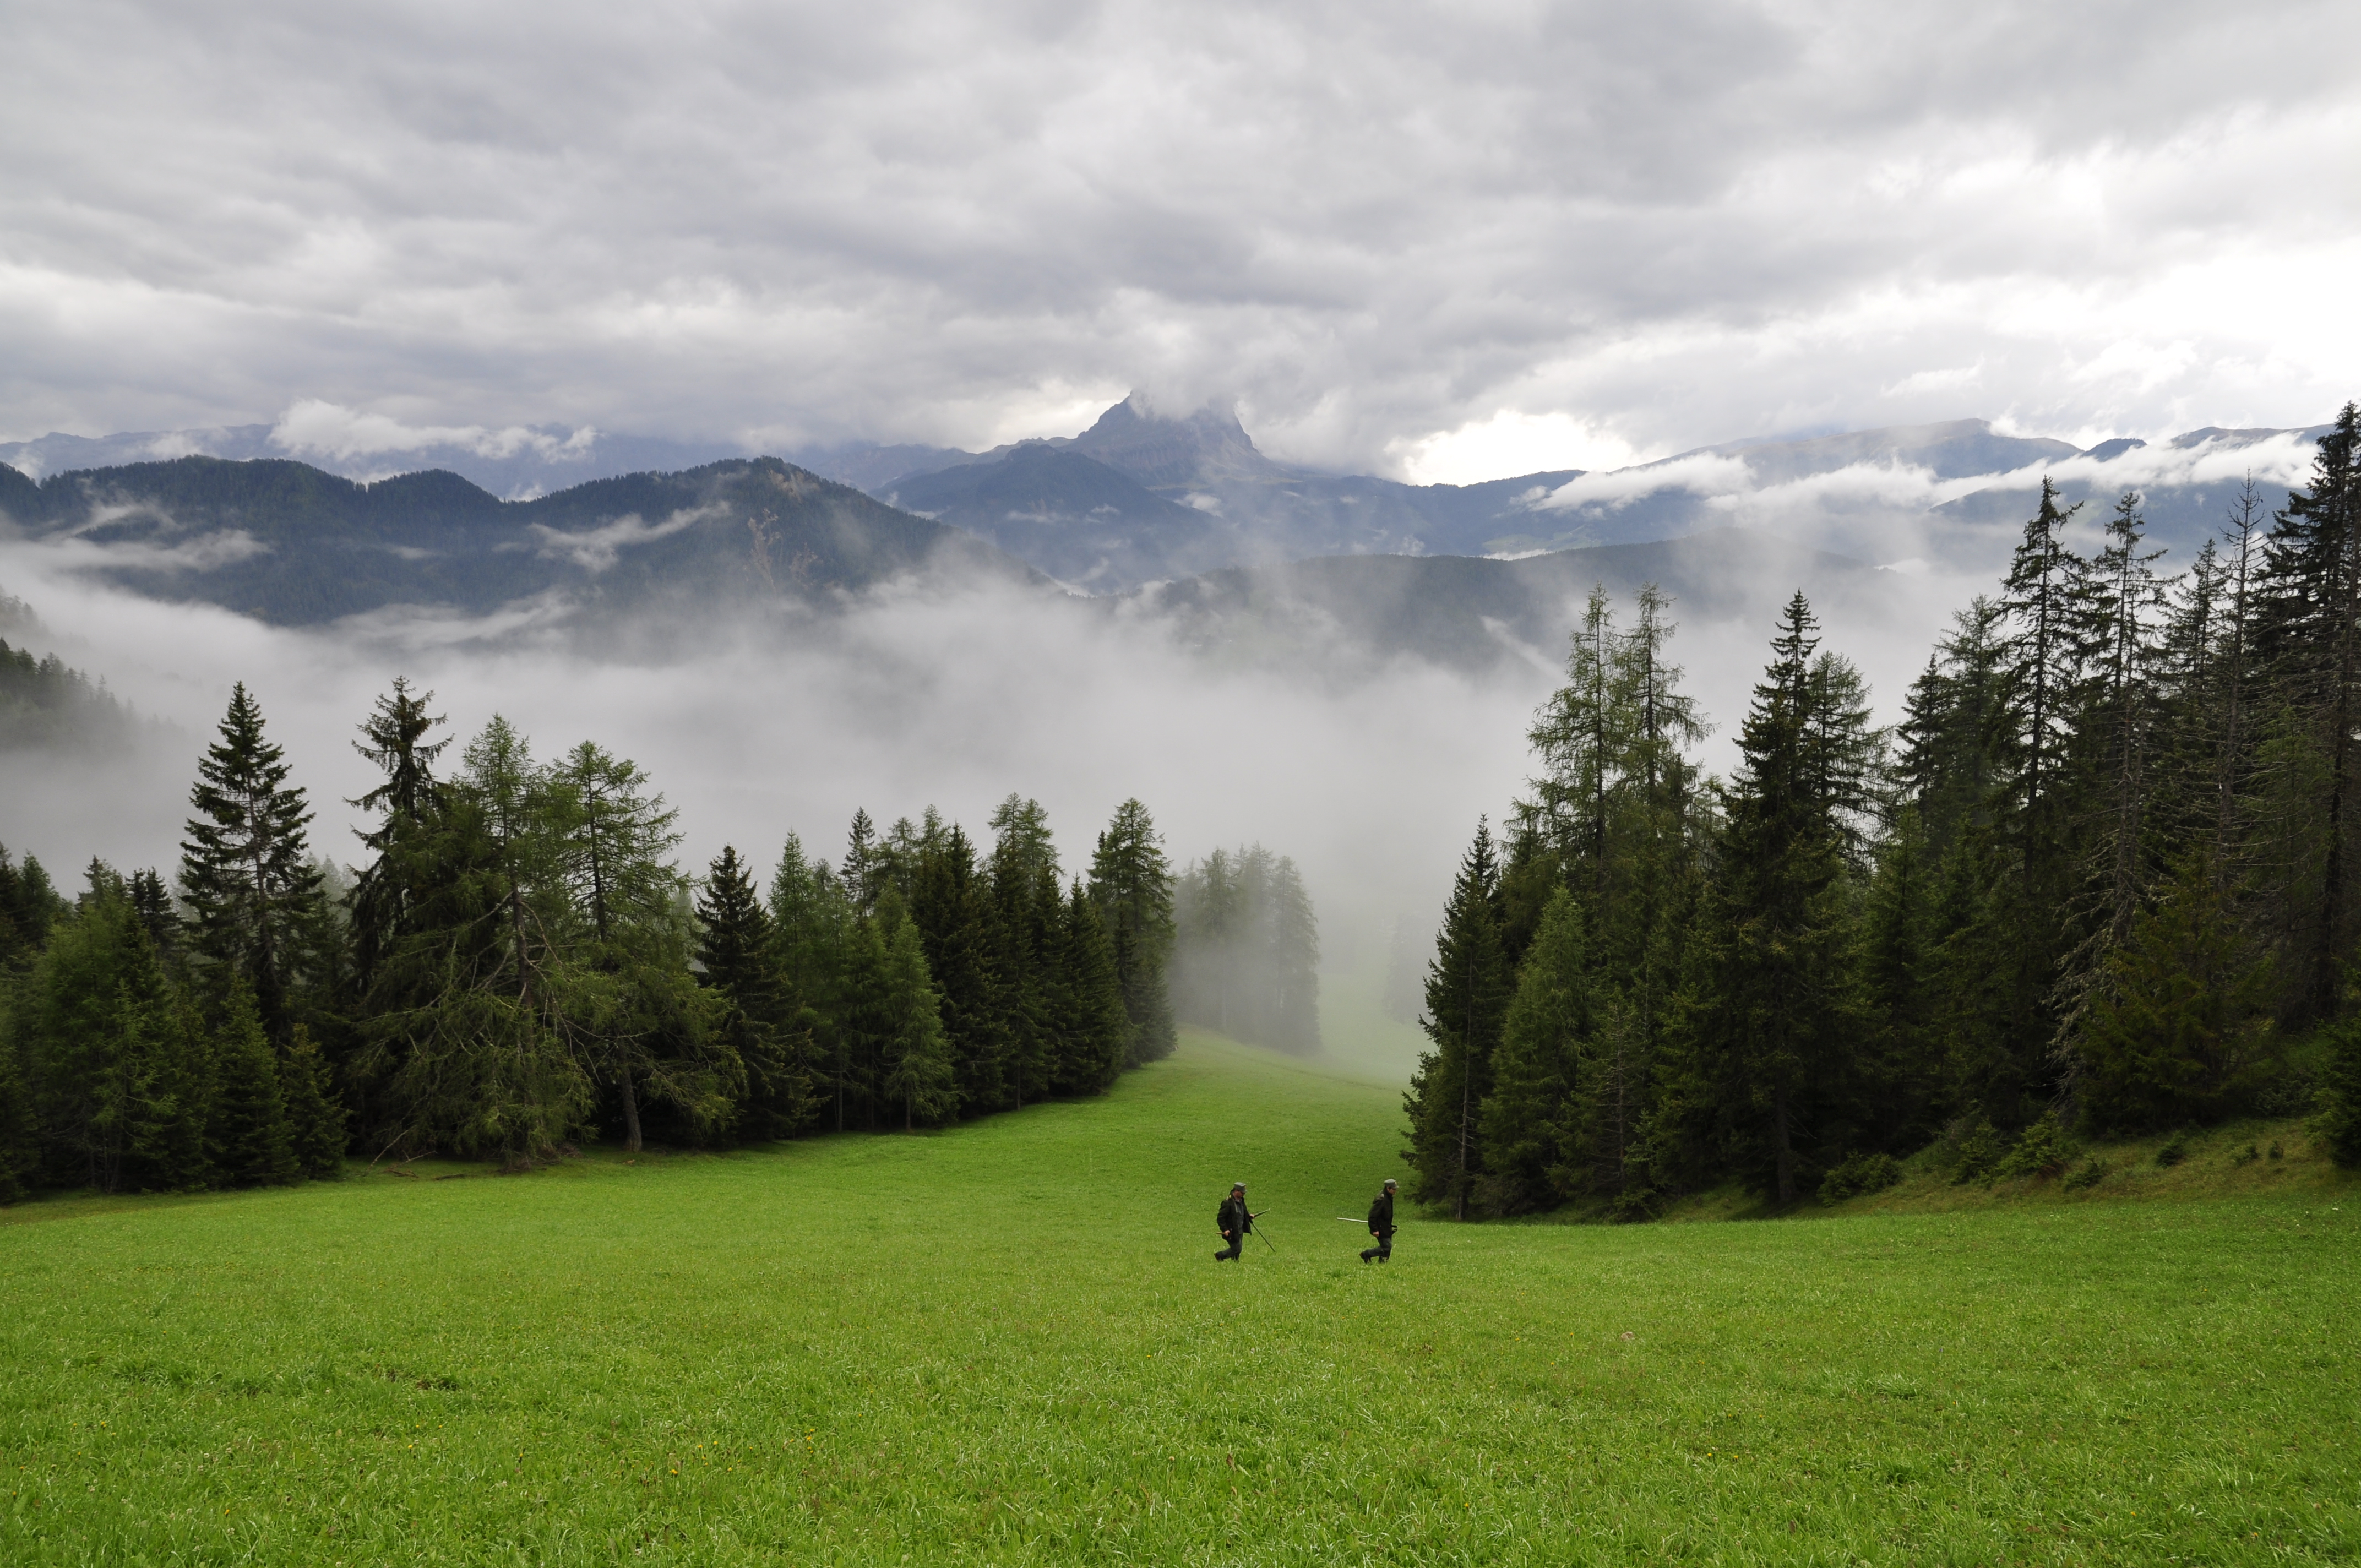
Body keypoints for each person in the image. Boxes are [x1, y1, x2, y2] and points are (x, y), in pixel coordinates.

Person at [1215, 1182, 1255, 1261]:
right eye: (1242, 1193)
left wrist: (1248, 1216)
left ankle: (1235, 1262)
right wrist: (1225, 1229)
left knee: (1238, 1248)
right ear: (1236, 1191)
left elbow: (1242, 1212)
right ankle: (1220, 1255)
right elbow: (1221, 1218)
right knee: (1237, 1249)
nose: (1243, 1194)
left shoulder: (1241, 1201)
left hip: (1240, 1229)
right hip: (1231, 1230)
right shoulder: (1228, 1203)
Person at [1360, 1177, 1396, 1263]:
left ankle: (1382, 1264)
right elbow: (1372, 1216)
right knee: (1386, 1247)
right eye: (1394, 1189)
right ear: (1388, 1189)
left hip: (1387, 1227)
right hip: (1381, 1228)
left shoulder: (1389, 1197)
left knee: (1387, 1248)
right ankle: (1366, 1254)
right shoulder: (1382, 1199)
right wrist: (1375, 1230)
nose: (1395, 1191)